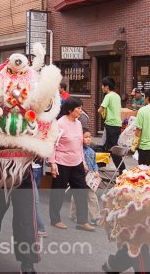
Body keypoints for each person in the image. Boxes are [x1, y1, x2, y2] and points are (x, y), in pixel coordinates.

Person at [48, 97, 94, 232]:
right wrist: (52, 163)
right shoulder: (59, 124)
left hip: (77, 162)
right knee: (58, 193)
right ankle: (55, 219)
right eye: (78, 108)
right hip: (61, 163)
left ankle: (82, 221)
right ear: (70, 110)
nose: (81, 111)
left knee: (81, 192)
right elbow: (52, 144)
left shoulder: (78, 123)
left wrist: (83, 161)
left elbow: (79, 144)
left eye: (81, 108)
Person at [69, 128, 100, 225]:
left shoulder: (91, 151)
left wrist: (96, 171)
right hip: (80, 177)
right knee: (76, 196)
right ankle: (73, 214)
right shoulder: (77, 150)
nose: (89, 139)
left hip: (90, 178)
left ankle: (95, 217)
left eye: (90, 137)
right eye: (86, 137)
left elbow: (94, 163)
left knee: (92, 197)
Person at [98, 77, 124, 175]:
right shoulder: (117, 96)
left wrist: (100, 111)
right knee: (107, 147)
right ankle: (100, 165)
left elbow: (100, 109)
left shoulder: (108, 96)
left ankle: (122, 170)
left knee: (113, 149)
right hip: (116, 125)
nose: (102, 87)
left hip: (111, 125)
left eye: (103, 85)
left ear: (107, 87)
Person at [131, 89, 150, 166]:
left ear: (147, 98)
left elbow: (138, 129)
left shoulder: (142, 110)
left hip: (145, 147)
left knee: (144, 174)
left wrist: (134, 144)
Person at [32, 157, 47, 237]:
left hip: (36, 168)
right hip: (32, 167)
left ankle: (40, 227)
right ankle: (39, 227)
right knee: (33, 200)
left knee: (33, 200)